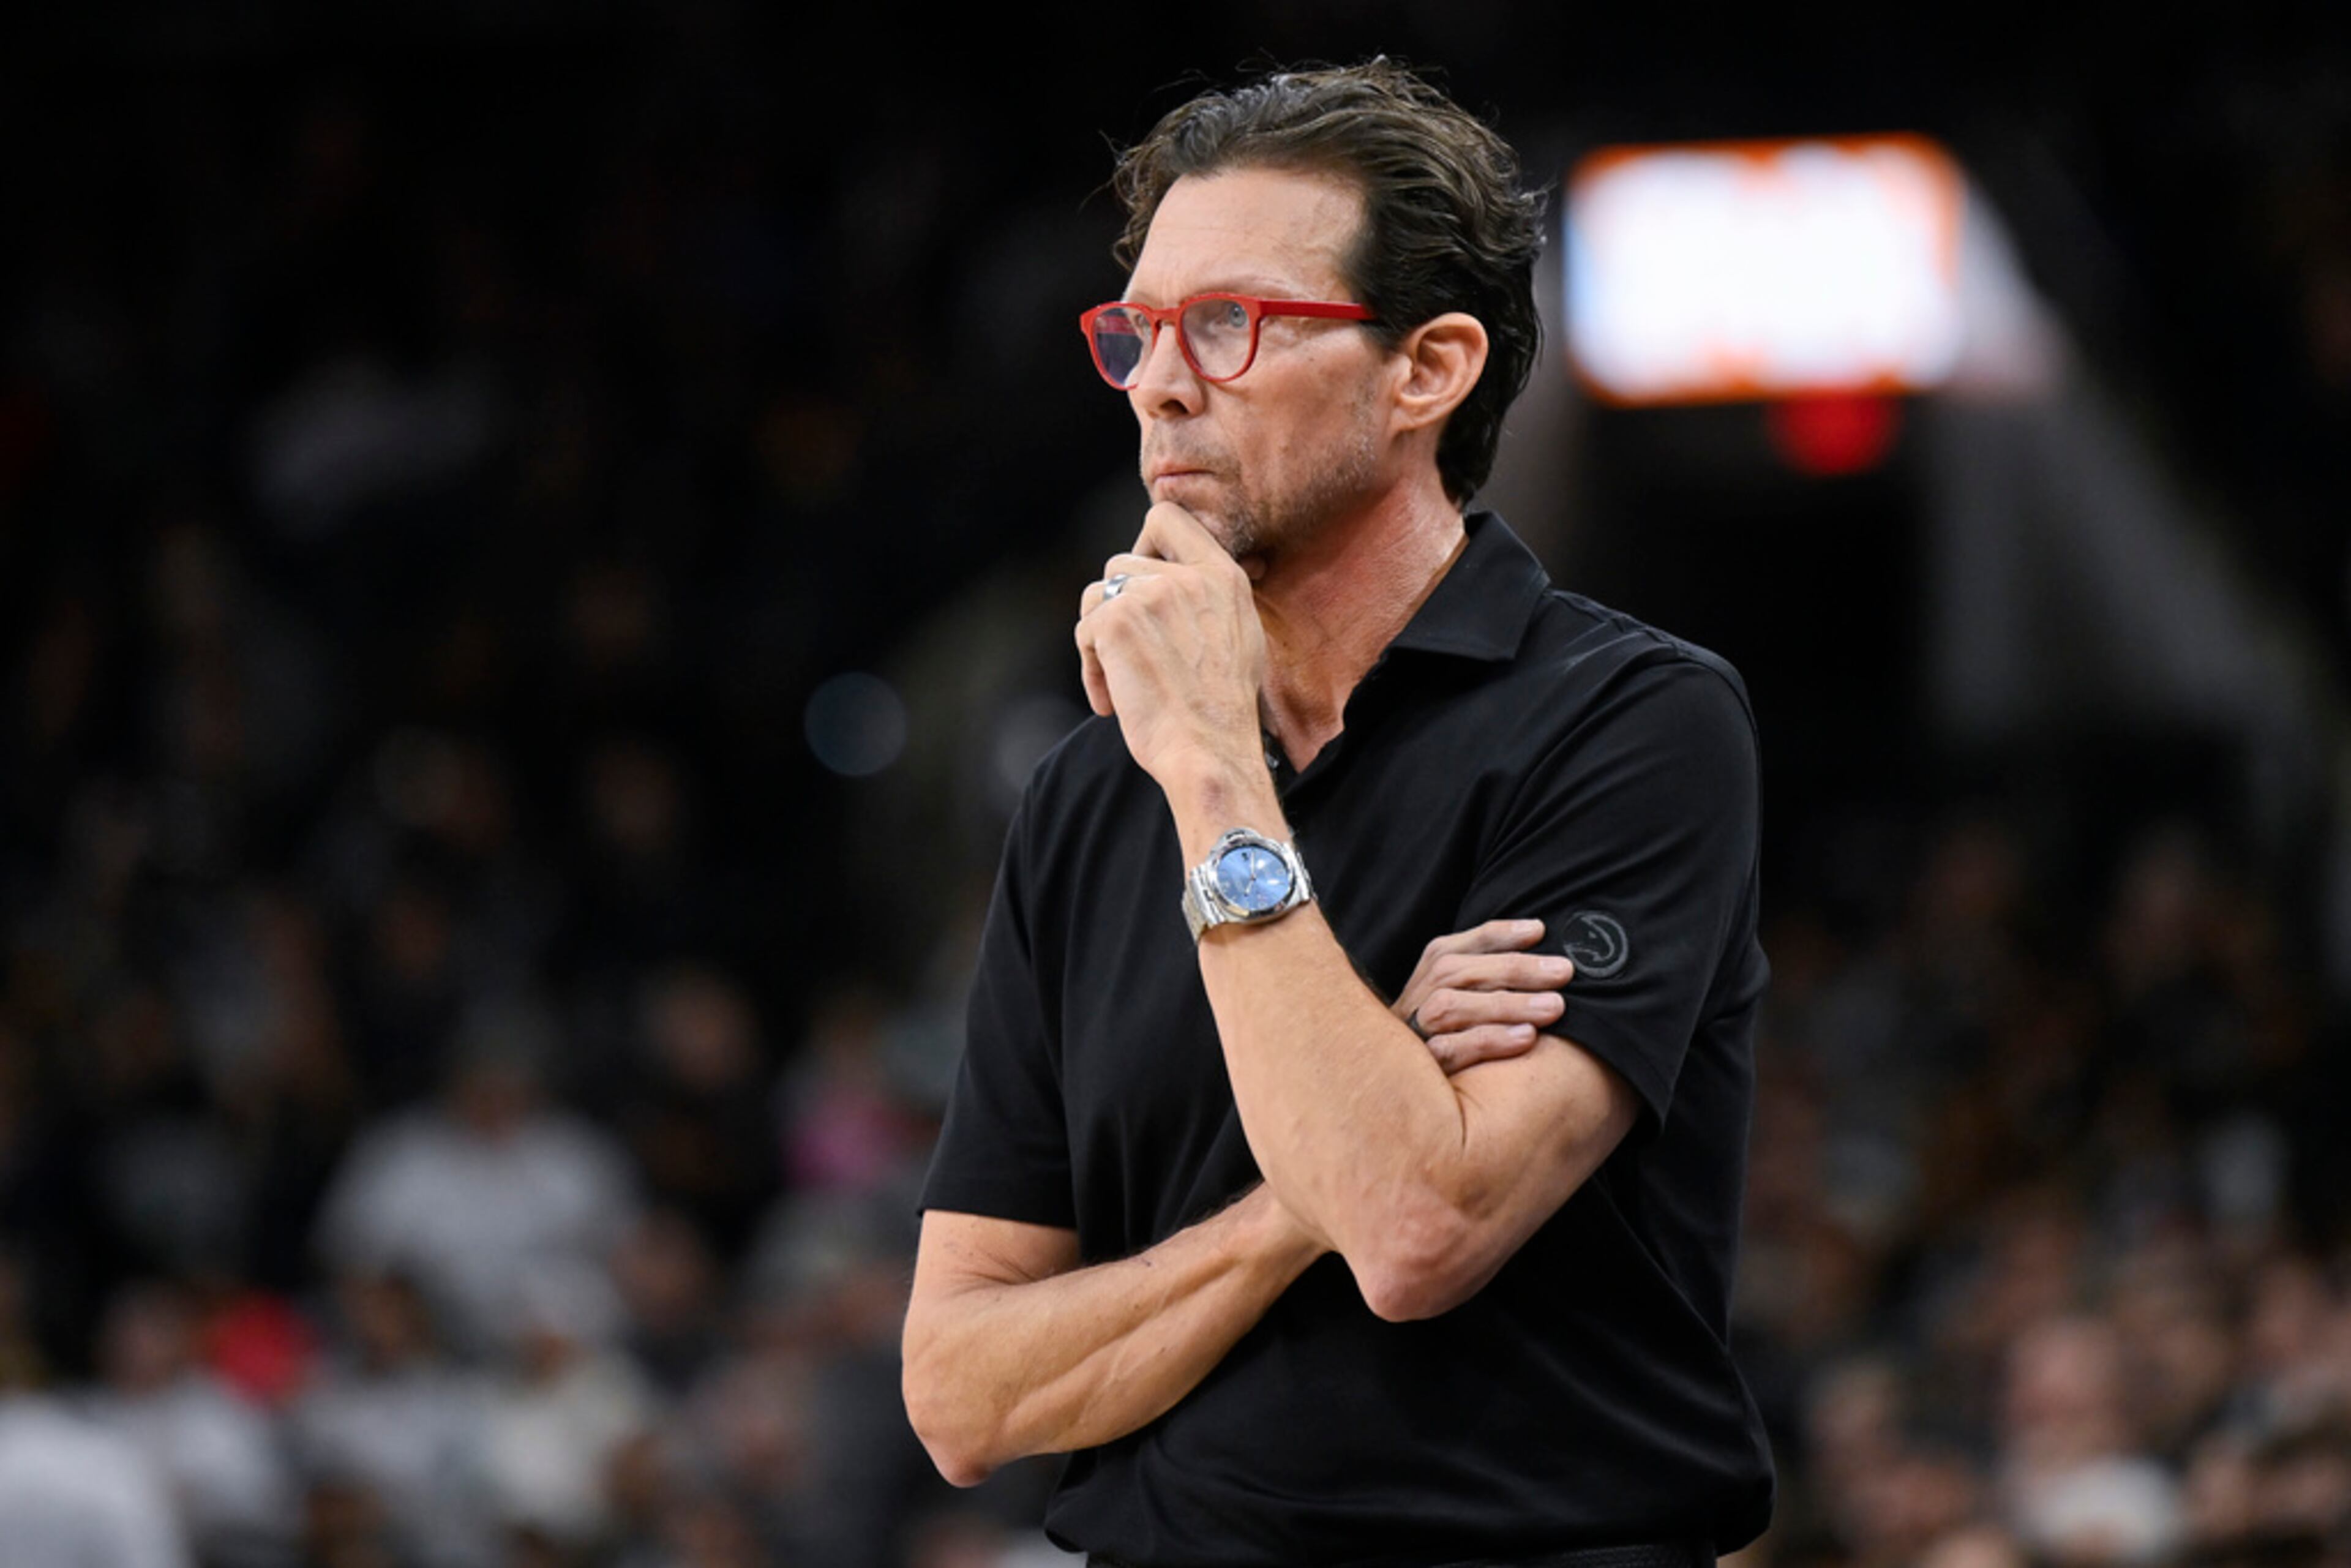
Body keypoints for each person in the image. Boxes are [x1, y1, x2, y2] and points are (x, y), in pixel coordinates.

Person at [902, 61, 1773, 1567]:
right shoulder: (1088, 790)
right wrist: (1289, 1202)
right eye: (1140, 331)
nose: (1162, 383)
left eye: (1230, 326)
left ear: (1426, 370)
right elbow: (965, 1395)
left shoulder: (1636, 725)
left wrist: (1218, 774)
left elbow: (1417, 1236)